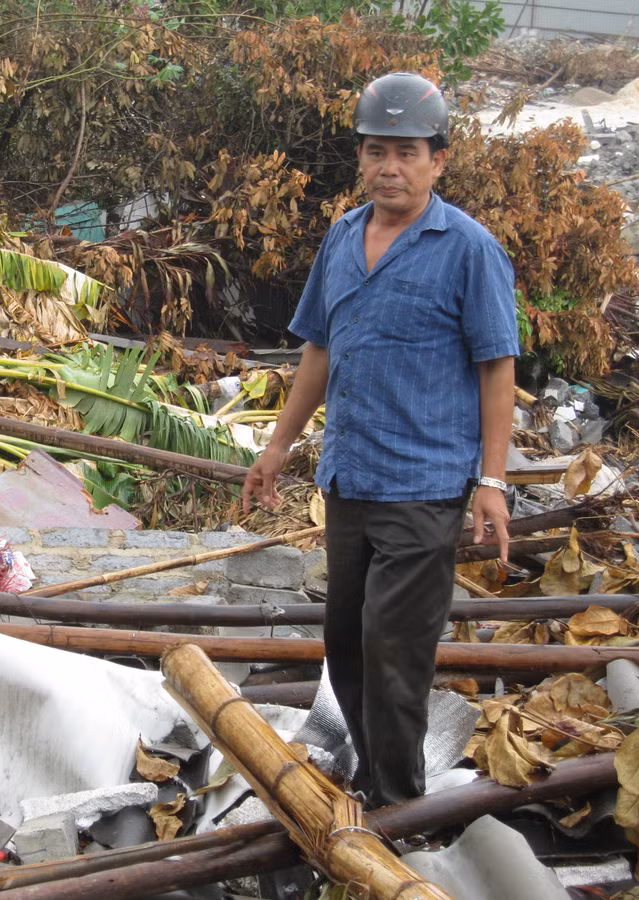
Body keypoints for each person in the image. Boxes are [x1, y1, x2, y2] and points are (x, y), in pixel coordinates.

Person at [241, 72, 519, 809]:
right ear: (360, 158)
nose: (388, 167)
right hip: (351, 478)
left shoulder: (468, 249)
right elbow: (319, 353)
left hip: (425, 486)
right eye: (374, 151)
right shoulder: (341, 236)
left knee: (395, 650)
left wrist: (491, 483)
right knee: (349, 646)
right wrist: (278, 447)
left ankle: (398, 810)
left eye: (406, 152)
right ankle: (369, 774)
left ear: (439, 160)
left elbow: (497, 369)